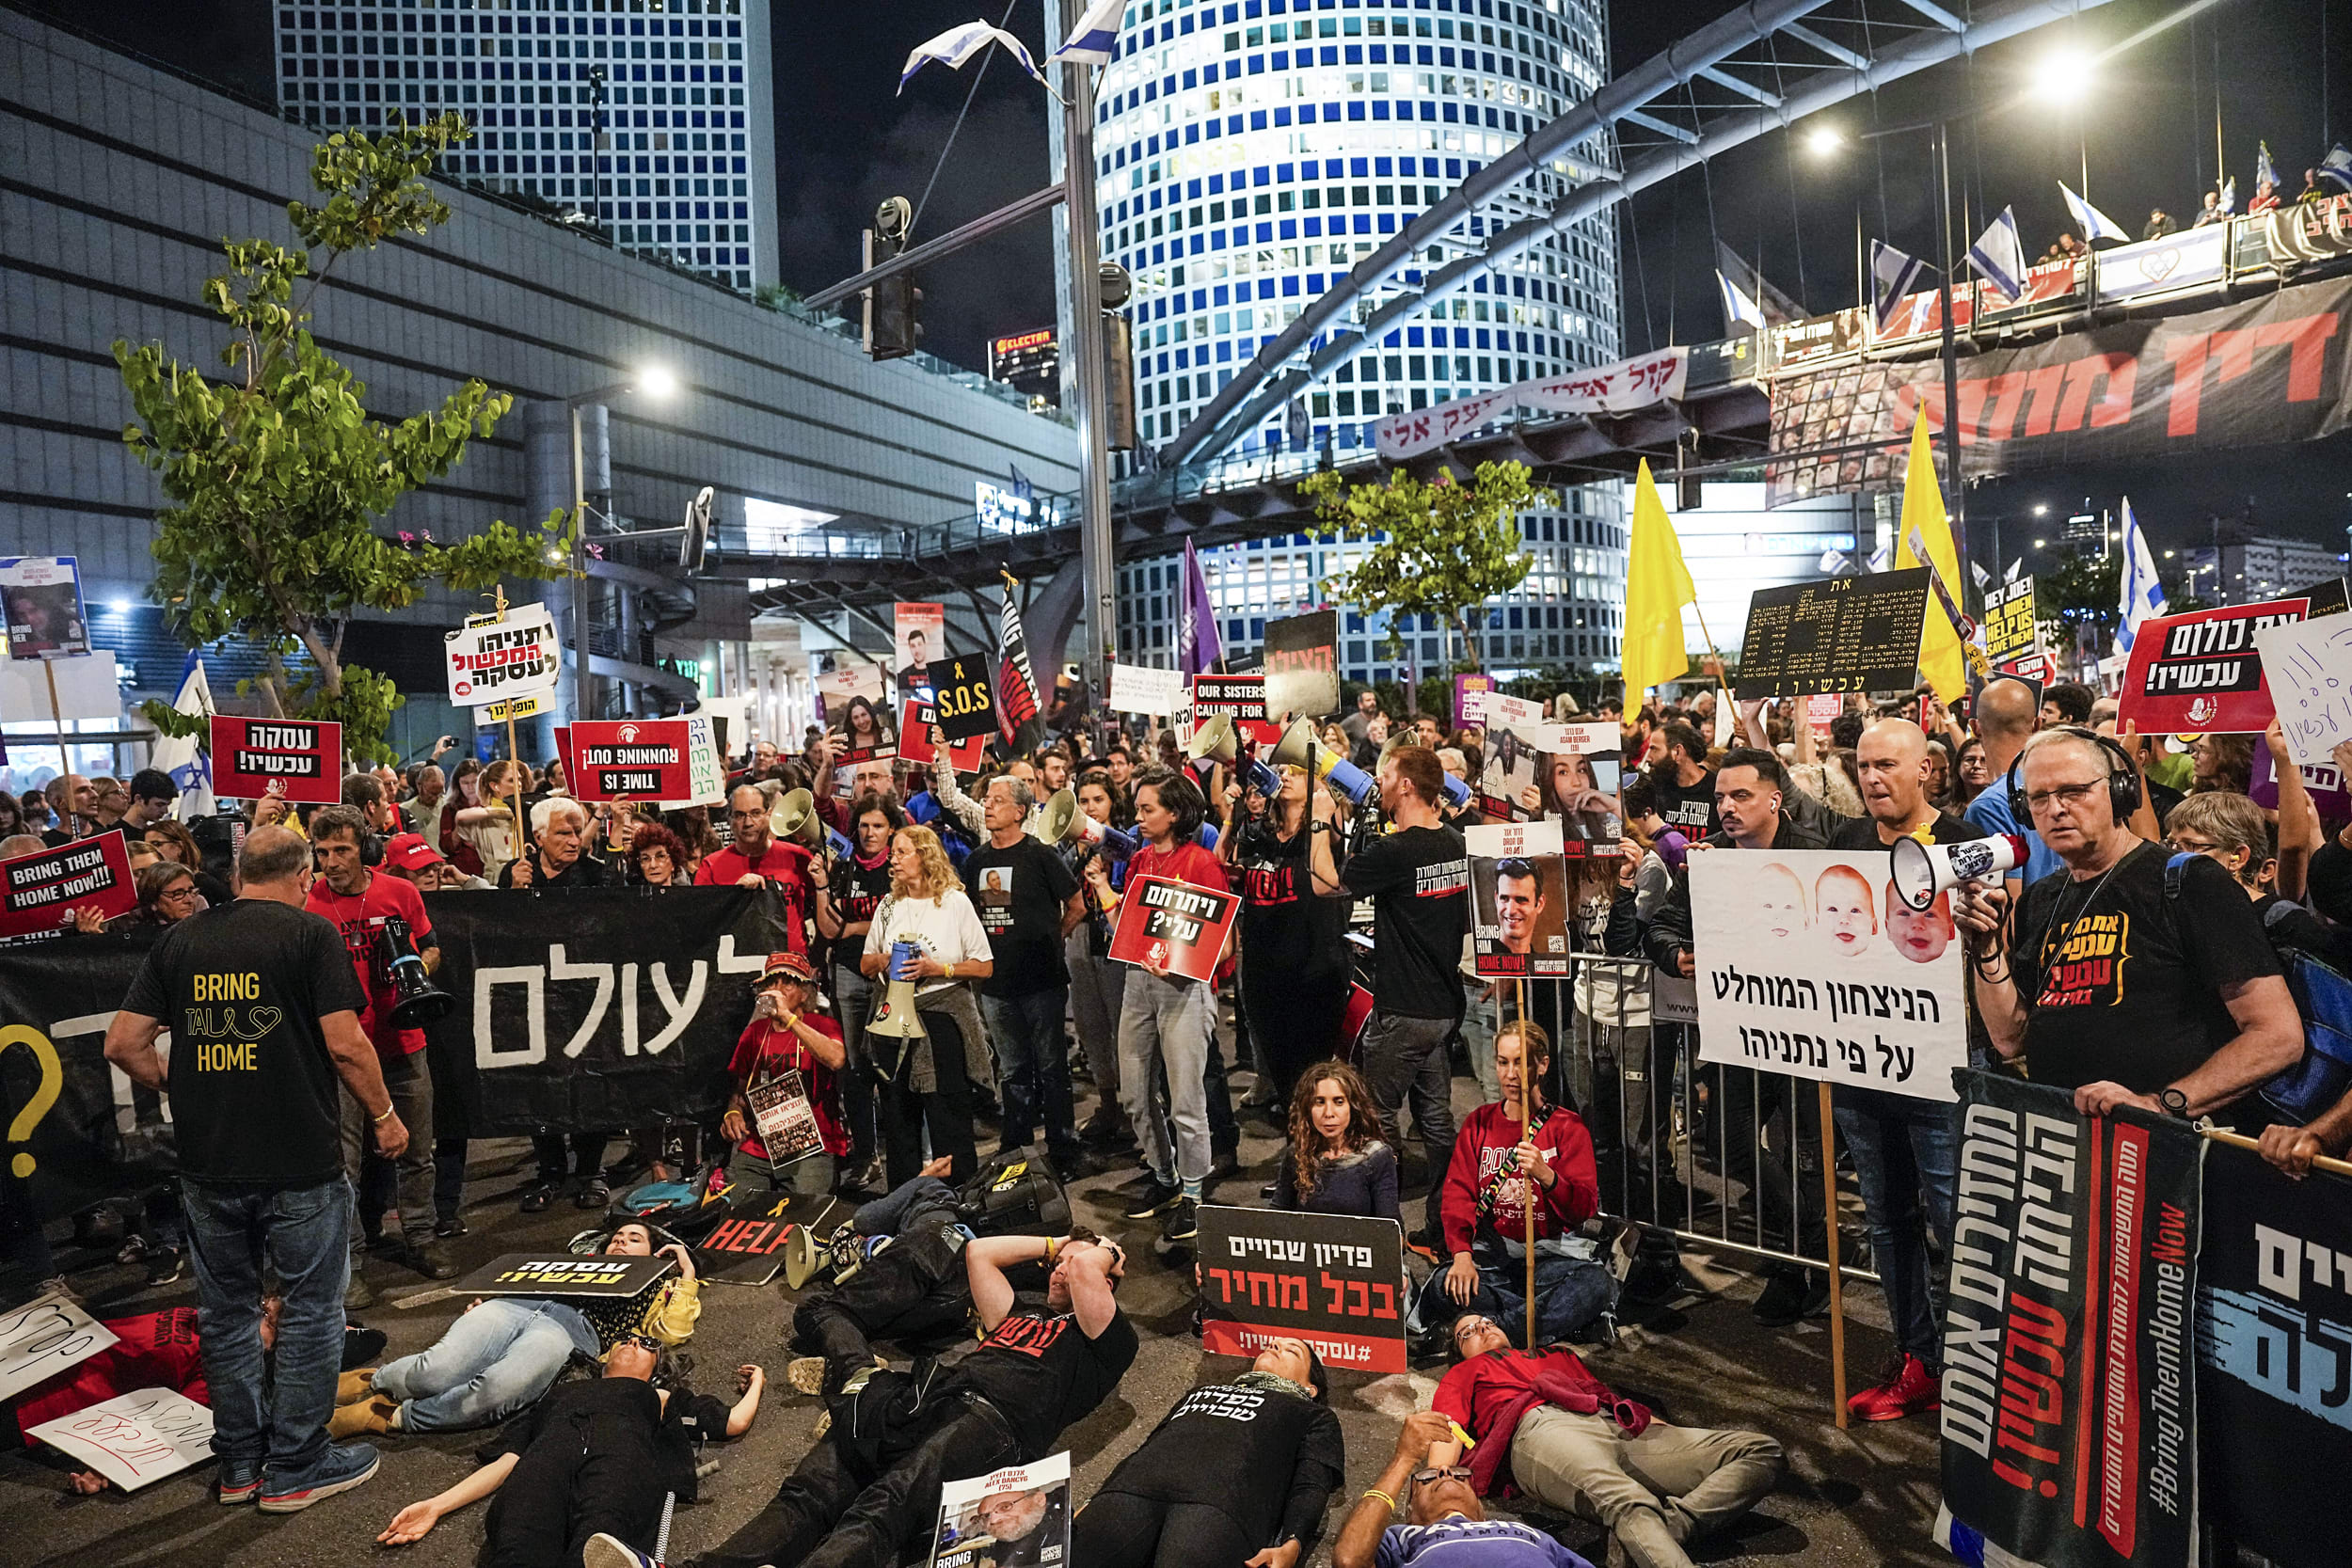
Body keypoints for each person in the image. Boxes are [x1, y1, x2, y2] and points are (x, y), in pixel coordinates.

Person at [101, 825, 405, 1512]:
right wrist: (385, 1114)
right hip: (299, 1161)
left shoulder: (180, 940)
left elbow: (121, 1043)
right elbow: (346, 1044)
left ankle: (241, 1463)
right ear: (302, 877)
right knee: (311, 1313)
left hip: (209, 1163)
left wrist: (177, 1081)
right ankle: (297, 1465)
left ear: (238, 876)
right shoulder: (310, 934)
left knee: (226, 1314)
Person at [677, 1229, 1135, 1568]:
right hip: (930, 1394)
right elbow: (979, 1251)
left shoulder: (1108, 1341)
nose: (1061, 1268)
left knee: (882, 1507)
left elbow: (1085, 1272)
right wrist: (1056, 1243)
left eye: (1075, 1263)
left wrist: (1107, 1253)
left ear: (1106, 1282)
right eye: (1058, 1263)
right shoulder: (1020, 1313)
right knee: (810, 1490)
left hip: (992, 1423)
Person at [1956, 728, 2301, 1121]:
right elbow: (2009, 1038)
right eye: (2039, 798)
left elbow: (2278, 1035)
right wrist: (1986, 947)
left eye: (2073, 791)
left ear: (2120, 791)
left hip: (2164, 1143)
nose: (2055, 809)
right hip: (2064, 1139)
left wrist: (2163, 1103)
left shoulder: (2192, 882)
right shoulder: (2040, 899)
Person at [1645, 748, 1833, 1324]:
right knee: (1726, 1139)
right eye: (1721, 797)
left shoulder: (1817, 854)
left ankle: (1799, 1270)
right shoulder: (1709, 860)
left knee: (1807, 1155)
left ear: (1775, 799)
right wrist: (1675, 955)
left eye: (1741, 795)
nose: (1726, 807)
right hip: (1739, 1032)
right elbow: (1664, 924)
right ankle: (1811, 1246)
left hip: (1810, 1033)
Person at [1821, 719, 1975, 1419]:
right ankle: (1920, 1357)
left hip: (1940, 1071)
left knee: (1957, 1221)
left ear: (1925, 770)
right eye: (1863, 766)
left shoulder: (1964, 840)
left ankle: (1976, 1370)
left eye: (1887, 764)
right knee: (1887, 1220)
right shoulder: (1846, 841)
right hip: (1862, 1067)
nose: (1873, 777)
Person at [1419, 1315, 1785, 1568]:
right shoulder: (1464, 1372)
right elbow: (1447, 1426)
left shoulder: (1557, 1354)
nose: (1483, 1329)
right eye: (1468, 1332)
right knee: (1629, 1502)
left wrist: (1662, 1431)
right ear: (1458, 1353)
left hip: (1611, 1422)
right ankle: (1648, 1531)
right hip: (1542, 1426)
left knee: (1760, 1450)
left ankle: (1670, 1528)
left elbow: (1609, 1398)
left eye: (1488, 1322)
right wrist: (1438, 1480)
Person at [378, 1344, 763, 1567]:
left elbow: (733, 1421)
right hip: (548, 1456)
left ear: (658, 1369)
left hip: (621, 1455)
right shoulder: (560, 1394)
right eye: (626, 1339)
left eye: (646, 1343)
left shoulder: (661, 1397)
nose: (633, 1342)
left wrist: (758, 1383)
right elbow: (509, 1460)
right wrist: (437, 1505)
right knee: (517, 1542)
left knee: (599, 1544)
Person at [1304, 745, 1469, 1244]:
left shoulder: (1396, 851)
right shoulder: (1456, 842)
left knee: (1372, 1119)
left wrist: (1319, 821)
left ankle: (1382, 1226)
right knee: (1436, 1122)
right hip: (1443, 1007)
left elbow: (1323, 882)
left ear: (1407, 785)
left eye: (1385, 775)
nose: (1378, 783)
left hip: (1402, 1009)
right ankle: (1443, 1225)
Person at [337, 1220, 703, 1437]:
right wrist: (488, 1299)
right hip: (513, 1306)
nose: (621, 1240)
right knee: (434, 1372)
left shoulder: (660, 1286)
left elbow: (671, 1333)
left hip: (572, 1333)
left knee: (496, 1390)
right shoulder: (576, 1262)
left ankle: (386, 1416)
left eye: (634, 1238)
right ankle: (373, 1379)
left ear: (654, 1254)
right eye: (617, 1236)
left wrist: (686, 1273)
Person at [305, 804, 452, 1298]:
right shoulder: (308, 903)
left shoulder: (400, 892)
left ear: (364, 848)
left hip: (403, 1039)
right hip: (343, 1052)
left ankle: (422, 1238)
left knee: (418, 1151)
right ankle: (350, 1260)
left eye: (342, 850)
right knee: (344, 1166)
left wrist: (416, 970)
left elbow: (432, 947)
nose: (331, 862)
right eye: (322, 852)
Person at [1088, 767, 1232, 1242]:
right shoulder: (1140, 860)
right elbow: (1127, 933)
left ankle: (1193, 1193)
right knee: (1134, 1094)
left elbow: (1226, 946)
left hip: (1184, 991)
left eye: (1147, 809)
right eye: (1138, 808)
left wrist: (1178, 964)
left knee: (1186, 1100)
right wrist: (1103, 890)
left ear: (1174, 813)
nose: (1138, 817)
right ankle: (1166, 1177)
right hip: (1138, 985)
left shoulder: (1201, 863)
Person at [1411, 1022, 1611, 1348]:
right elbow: (1458, 1196)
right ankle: (1540, 1324)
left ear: (1542, 1065)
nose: (1511, 1074)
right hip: (1491, 1257)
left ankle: (1495, 1329)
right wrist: (1462, 1255)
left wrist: (1547, 1176)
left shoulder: (1568, 1127)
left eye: (1521, 1062)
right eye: (1503, 1062)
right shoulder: (1479, 1123)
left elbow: (1583, 1208)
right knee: (1443, 1286)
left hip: (1550, 1257)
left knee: (1596, 1284)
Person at [1071, 1337, 1345, 1568]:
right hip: (1132, 1489)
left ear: (1310, 1388)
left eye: (1292, 1351)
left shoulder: (1313, 1414)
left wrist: (1293, 1543)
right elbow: (1149, 1446)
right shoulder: (1201, 1391)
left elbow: (1311, 1482)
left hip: (1219, 1505)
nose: (1274, 1347)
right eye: (1273, 1344)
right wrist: (1096, 1497)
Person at [962, 774, 1087, 1171]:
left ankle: (1062, 1147)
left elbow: (1077, 905)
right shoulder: (976, 860)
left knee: (1052, 1068)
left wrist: (1054, 939)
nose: (987, 805)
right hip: (996, 984)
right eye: (986, 799)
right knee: (1013, 1069)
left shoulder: (1041, 855)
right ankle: (1015, 1144)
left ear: (1020, 811)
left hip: (1042, 980)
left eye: (997, 800)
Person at [861, 824, 993, 1185]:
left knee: (947, 1117)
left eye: (902, 852)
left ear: (925, 856)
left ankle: (958, 1195)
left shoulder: (954, 902)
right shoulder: (889, 905)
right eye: (893, 853)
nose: (894, 860)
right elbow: (865, 963)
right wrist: (885, 960)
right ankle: (904, 1199)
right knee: (899, 1118)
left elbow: (984, 965)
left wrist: (938, 969)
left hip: (940, 1023)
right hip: (893, 1021)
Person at [1220, 761, 1353, 1107]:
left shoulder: (1324, 828)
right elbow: (1223, 864)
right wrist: (1232, 815)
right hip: (1264, 967)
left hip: (1314, 966)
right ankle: (1296, 1122)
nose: (1285, 777)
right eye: (1282, 771)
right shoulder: (1260, 832)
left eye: (1296, 771)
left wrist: (1324, 804)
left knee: (1311, 1065)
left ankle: (1310, 1131)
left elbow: (1328, 862)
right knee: (1278, 1060)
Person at [1331, 1409, 1597, 1568]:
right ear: (1410, 1512)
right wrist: (1404, 1458)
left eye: (1461, 1475)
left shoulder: (1533, 1535)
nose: (1446, 1471)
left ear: (1481, 1510)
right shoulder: (1400, 1538)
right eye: (1427, 1477)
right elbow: (1349, 1560)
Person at [811, 793, 902, 1187]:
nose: (870, 833)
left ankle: (910, 1155)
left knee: (896, 1066)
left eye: (878, 825)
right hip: (848, 972)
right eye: (864, 825)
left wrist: (853, 927)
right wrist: (821, 885)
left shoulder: (900, 865)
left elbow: (902, 917)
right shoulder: (844, 865)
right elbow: (830, 928)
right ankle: (867, 1155)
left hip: (891, 975)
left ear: (891, 829)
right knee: (855, 1069)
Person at [719, 951, 850, 1195]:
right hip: (761, 1147)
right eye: (771, 983)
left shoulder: (821, 1025)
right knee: (735, 1208)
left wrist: (788, 1018)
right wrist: (733, 1112)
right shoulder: (755, 1032)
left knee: (804, 1212)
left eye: (788, 983)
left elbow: (836, 1059)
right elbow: (740, 1090)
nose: (777, 990)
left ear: (805, 993)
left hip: (810, 1146)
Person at [1066, 770, 1136, 1150]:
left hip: (1115, 939)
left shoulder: (1125, 843)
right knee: (1090, 1026)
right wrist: (1077, 854)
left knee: (1122, 1026)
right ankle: (1107, 1104)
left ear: (1112, 802)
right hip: (1080, 939)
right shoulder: (1071, 846)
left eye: (1099, 800)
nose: (1091, 808)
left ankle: (1133, 1107)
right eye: (1084, 801)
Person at [1963, 677, 2062, 884]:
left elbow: (2004, 900)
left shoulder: (1989, 807)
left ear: (1975, 727)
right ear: (2037, 724)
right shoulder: (2061, 786)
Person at [1275, 1060, 1400, 1220]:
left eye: (1339, 1102)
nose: (1329, 1113)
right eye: (1320, 1102)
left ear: (1353, 1107)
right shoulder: (1298, 1153)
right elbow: (1276, 1214)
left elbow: (1390, 1223)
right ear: (1308, 1108)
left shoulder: (1376, 1157)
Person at [697, 784, 816, 952]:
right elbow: (701, 924)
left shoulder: (798, 857)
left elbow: (824, 909)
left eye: (756, 813)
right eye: (739, 815)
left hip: (792, 962)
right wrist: (734, 895)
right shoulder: (711, 866)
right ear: (730, 819)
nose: (748, 823)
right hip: (736, 964)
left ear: (769, 815)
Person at [497, 798, 612, 890]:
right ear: (539, 838)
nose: (575, 842)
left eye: (578, 832)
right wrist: (515, 892)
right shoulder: (516, 871)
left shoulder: (596, 874)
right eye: (564, 833)